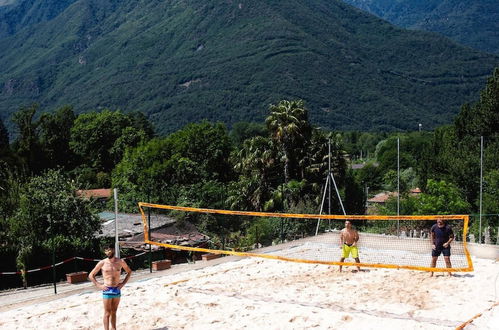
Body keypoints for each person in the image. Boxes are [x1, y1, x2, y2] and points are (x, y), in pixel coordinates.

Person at [89, 245, 132, 330]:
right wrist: (99, 285)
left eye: (109, 250)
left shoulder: (120, 262)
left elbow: (129, 272)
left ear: (113, 250)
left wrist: (123, 284)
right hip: (107, 289)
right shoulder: (102, 263)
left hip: (117, 289)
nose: (107, 252)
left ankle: (114, 328)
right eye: (105, 250)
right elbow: (91, 275)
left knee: (114, 312)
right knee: (107, 313)